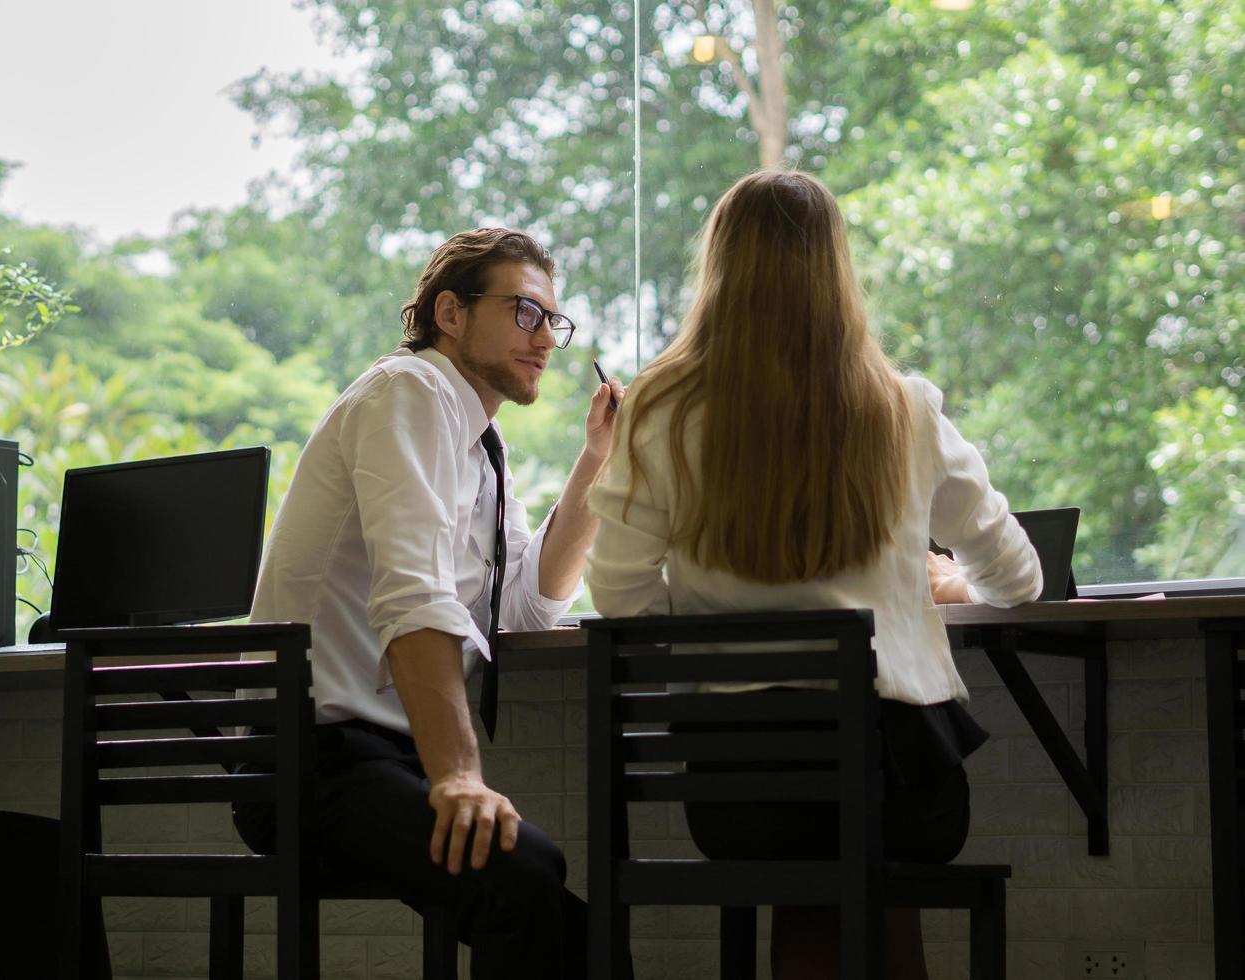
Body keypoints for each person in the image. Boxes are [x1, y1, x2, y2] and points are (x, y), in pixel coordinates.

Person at [585, 169, 1042, 980]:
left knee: (808, 871)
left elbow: (617, 596)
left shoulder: (658, 409)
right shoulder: (904, 408)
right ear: (837, 269)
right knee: (872, 858)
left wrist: (712, 616)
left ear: (718, 268)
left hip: (739, 792)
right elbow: (1019, 580)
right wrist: (949, 586)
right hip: (900, 780)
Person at [235, 228, 628, 979]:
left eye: (554, 321)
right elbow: (412, 594)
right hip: (310, 768)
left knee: (576, 926)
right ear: (450, 313)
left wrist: (596, 462)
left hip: (378, 761)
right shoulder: (408, 391)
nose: (547, 338)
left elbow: (522, 610)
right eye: (525, 313)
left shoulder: (478, 443)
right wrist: (458, 777)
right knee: (525, 875)